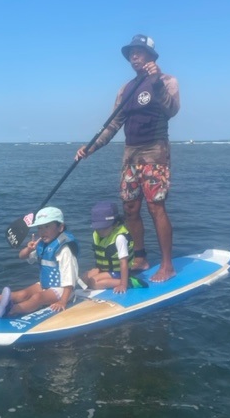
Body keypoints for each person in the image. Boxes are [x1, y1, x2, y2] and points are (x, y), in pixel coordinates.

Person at [76, 34, 180, 282]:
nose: (134, 56)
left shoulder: (167, 80)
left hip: (155, 151)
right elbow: (113, 124)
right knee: (130, 208)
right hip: (130, 154)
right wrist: (91, 147)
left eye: (139, 52)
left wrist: (156, 82)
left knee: (156, 207)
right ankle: (140, 257)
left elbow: (172, 110)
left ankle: (167, 265)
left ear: (151, 56)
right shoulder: (126, 89)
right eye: (131, 53)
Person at [0, 207, 79, 317]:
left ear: (60, 227)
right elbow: (21, 256)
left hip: (63, 290)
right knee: (23, 294)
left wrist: (62, 301)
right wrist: (29, 249)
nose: (42, 231)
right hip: (45, 285)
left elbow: (70, 279)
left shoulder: (65, 250)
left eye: (47, 226)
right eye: (39, 228)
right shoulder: (43, 246)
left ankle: (12, 309)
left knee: (37, 298)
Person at [83, 200, 147, 293]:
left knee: (94, 283)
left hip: (118, 272)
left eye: (104, 228)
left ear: (115, 224)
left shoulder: (119, 238)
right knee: (84, 278)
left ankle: (129, 282)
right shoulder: (97, 234)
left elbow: (123, 262)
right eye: (98, 228)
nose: (100, 231)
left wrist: (123, 285)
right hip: (105, 270)